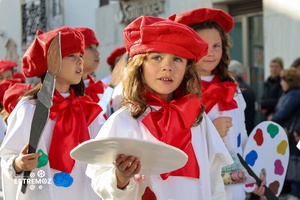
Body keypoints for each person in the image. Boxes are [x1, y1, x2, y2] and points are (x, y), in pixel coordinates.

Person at [86, 15, 233, 200]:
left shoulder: (197, 119)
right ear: (139, 66)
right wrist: (120, 178)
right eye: (157, 57)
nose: (167, 67)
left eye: (177, 59)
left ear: (187, 68)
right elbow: (99, 180)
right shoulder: (124, 120)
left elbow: (215, 178)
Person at [0, 26, 105, 199]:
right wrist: (18, 163)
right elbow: (7, 155)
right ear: (51, 61)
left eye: (80, 55)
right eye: (71, 55)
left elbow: (100, 157)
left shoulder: (88, 109)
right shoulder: (29, 108)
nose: (80, 61)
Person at [172, 8, 266, 200]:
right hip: (197, 186)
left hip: (233, 187)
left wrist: (253, 174)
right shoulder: (176, 90)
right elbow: (172, 142)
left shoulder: (233, 88)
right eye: (203, 46)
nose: (211, 53)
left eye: (216, 45)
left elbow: (242, 138)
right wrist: (210, 132)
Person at [268, 68, 300, 200]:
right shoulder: (289, 94)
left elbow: (283, 112)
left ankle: (295, 193)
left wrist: (273, 118)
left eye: (283, 79)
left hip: (295, 135)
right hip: (293, 134)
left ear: (289, 81)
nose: (281, 82)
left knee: (295, 162)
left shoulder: (294, 94)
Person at [74, 27, 105, 104]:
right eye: (90, 47)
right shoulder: (63, 94)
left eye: (96, 47)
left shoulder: (99, 89)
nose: (97, 52)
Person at [229, 60, 256, 135]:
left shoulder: (236, 89)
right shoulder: (249, 88)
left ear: (232, 72)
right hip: (249, 128)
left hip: (241, 130)